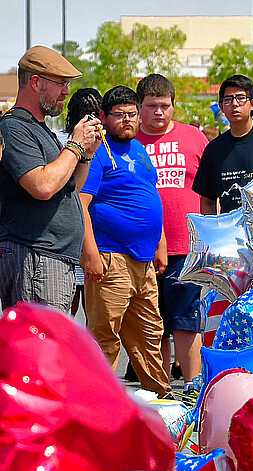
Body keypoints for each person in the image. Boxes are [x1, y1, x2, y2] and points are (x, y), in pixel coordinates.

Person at [79, 86, 170, 396]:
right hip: (110, 256)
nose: (128, 120)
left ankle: (162, 407)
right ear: (104, 117)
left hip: (144, 261)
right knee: (104, 338)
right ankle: (96, 407)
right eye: (119, 115)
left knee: (150, 335)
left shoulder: (139, 149)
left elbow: (150, 197)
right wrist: (90, 252)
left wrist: (160, 243)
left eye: (132, 114)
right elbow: (81, 203)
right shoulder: (98, 151)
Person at [0, 46, 102, 313]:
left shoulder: (39, 129)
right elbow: (43, 186)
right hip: (35, 257)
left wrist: (86, 155)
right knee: (41, 348)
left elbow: (68, 191)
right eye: (61, 84)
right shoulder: (14, 127)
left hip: (50, 258)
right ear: (35, 82)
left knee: (52, 348)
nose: (66, 92)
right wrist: (76, 146)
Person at [135, 73, 209, 384]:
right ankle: (159, 390)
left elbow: (210, 190)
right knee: (152, 324)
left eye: (165, 106)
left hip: (186, 246)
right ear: (140, 107)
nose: (159, 112)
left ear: (174, 106)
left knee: (186, 322)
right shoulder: (128, 142)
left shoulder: (194, 137)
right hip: (139, 247)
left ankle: (192, 388)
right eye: (151, 106)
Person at [194, 74, 253, 215]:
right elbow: (208, 201)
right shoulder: (214, 150)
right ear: (221, 107)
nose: (234, 104)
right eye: (228, 99)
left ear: (252, 104)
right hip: (232, 233)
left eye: (240, 98)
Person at [63, 88, 103, 315]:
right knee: (82, 310)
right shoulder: (69, 142)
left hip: (78, 238)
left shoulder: (60, 139)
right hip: (80, 239)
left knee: (73, 308)